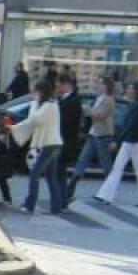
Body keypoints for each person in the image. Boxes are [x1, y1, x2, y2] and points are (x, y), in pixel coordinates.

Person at [95, 80, 138, 208]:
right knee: (136, 169)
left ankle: (106, 195)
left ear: (135, 91)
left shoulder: (136, 106)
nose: (127, 90)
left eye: (129, 88)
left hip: (132, 141)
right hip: (135, 141)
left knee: (125, 168)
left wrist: (117, 140)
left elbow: (129, 125)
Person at [11, 79, 64, 215]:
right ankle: (56, 207)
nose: (34, 94)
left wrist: (34, 104)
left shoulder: (50, 105)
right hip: (53, 144)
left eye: (36, 91)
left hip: (49, 144)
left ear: (42, 92)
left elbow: (34, 120)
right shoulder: (49, 104)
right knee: (51, 176)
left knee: (35, 173)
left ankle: (30, 204)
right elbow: (33, 120)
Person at [67, 76, 116, 202]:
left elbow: (100, 115)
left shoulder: (109, 100)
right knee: (82, 160)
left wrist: (88, 110)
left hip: (103, 135)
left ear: (107, 86)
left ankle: (108, 193)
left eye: (101, 84)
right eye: (98, 84)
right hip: (93, 134)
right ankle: (70, 188)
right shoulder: (97, 99)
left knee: (106, 165)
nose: (98, 86)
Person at [55, 74, 83, 207]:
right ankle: (64, 198)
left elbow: (65, 123)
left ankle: (63, 199)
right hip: (61, 142)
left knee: (58, 172)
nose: (58, 88)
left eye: (60, 85)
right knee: (59, 173)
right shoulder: (63, 100)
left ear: (66, 85)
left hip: (65, 143)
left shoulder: (73, 101)